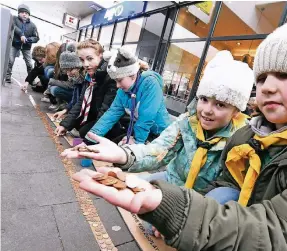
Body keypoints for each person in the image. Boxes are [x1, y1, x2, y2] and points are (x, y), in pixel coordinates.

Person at [72, 15, 287, 250]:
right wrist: (124, 154)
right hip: (192, 191)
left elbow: (282, 231)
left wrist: (175, 209)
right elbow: (160, 150)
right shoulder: (238, 135)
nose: (266, 87)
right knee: (141, 191)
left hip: (237, 217)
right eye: (263, 77)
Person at [63, 50, 254, 200]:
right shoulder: (187, 121)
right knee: (133, 189)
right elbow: (115, 115)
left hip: (158, 132)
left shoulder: (242, 140)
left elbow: (146, 118)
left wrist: (135, 141)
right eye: (203, 99)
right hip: (172, 169)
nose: (206, 110)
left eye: (220, 104)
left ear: (236, 110)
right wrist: (119, 152)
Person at [85, 46, 171, 145]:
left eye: (120, 80)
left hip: (161, 134)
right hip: (142, 131)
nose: (117, 86)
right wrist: (91, 137)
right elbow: (112, 113)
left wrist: (137, 142)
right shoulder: (123, 91)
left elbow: (147, 117)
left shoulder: (150, 83)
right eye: (115, 81)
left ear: (132, 74)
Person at [54, 39, 118, 140]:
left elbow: (106, 110)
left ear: (101, 55)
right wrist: (65, 125)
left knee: (85, 132)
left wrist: (93, 135)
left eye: (90, 59)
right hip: (96, 114)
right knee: (79, 127)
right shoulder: (90, 75)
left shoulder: (110, 77)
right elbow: (80, 102)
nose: (86, 64)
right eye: (82, 60)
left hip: (114, 121)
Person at [5, 4, 39, 84]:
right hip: (14, 45)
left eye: (26, 13)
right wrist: (21, 34)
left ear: (28, 15)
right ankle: (7, 77)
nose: (24, 14)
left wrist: (28, 39)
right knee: (10, 60)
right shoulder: (14, 19)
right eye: (22, 12)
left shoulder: (33, 25)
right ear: (19, 13)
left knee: (29, 64)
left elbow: (36, 37)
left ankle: (31, 80)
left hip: (26, 47)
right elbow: (14, 27)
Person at [53, 45, 85, 120]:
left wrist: (70, 117)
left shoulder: (84, 80)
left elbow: (80, 102)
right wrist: (65, 110)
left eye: (70, 70)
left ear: (78, 67)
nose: (68, 73)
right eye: (66, 71)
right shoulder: (78, 79)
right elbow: (75, 99)